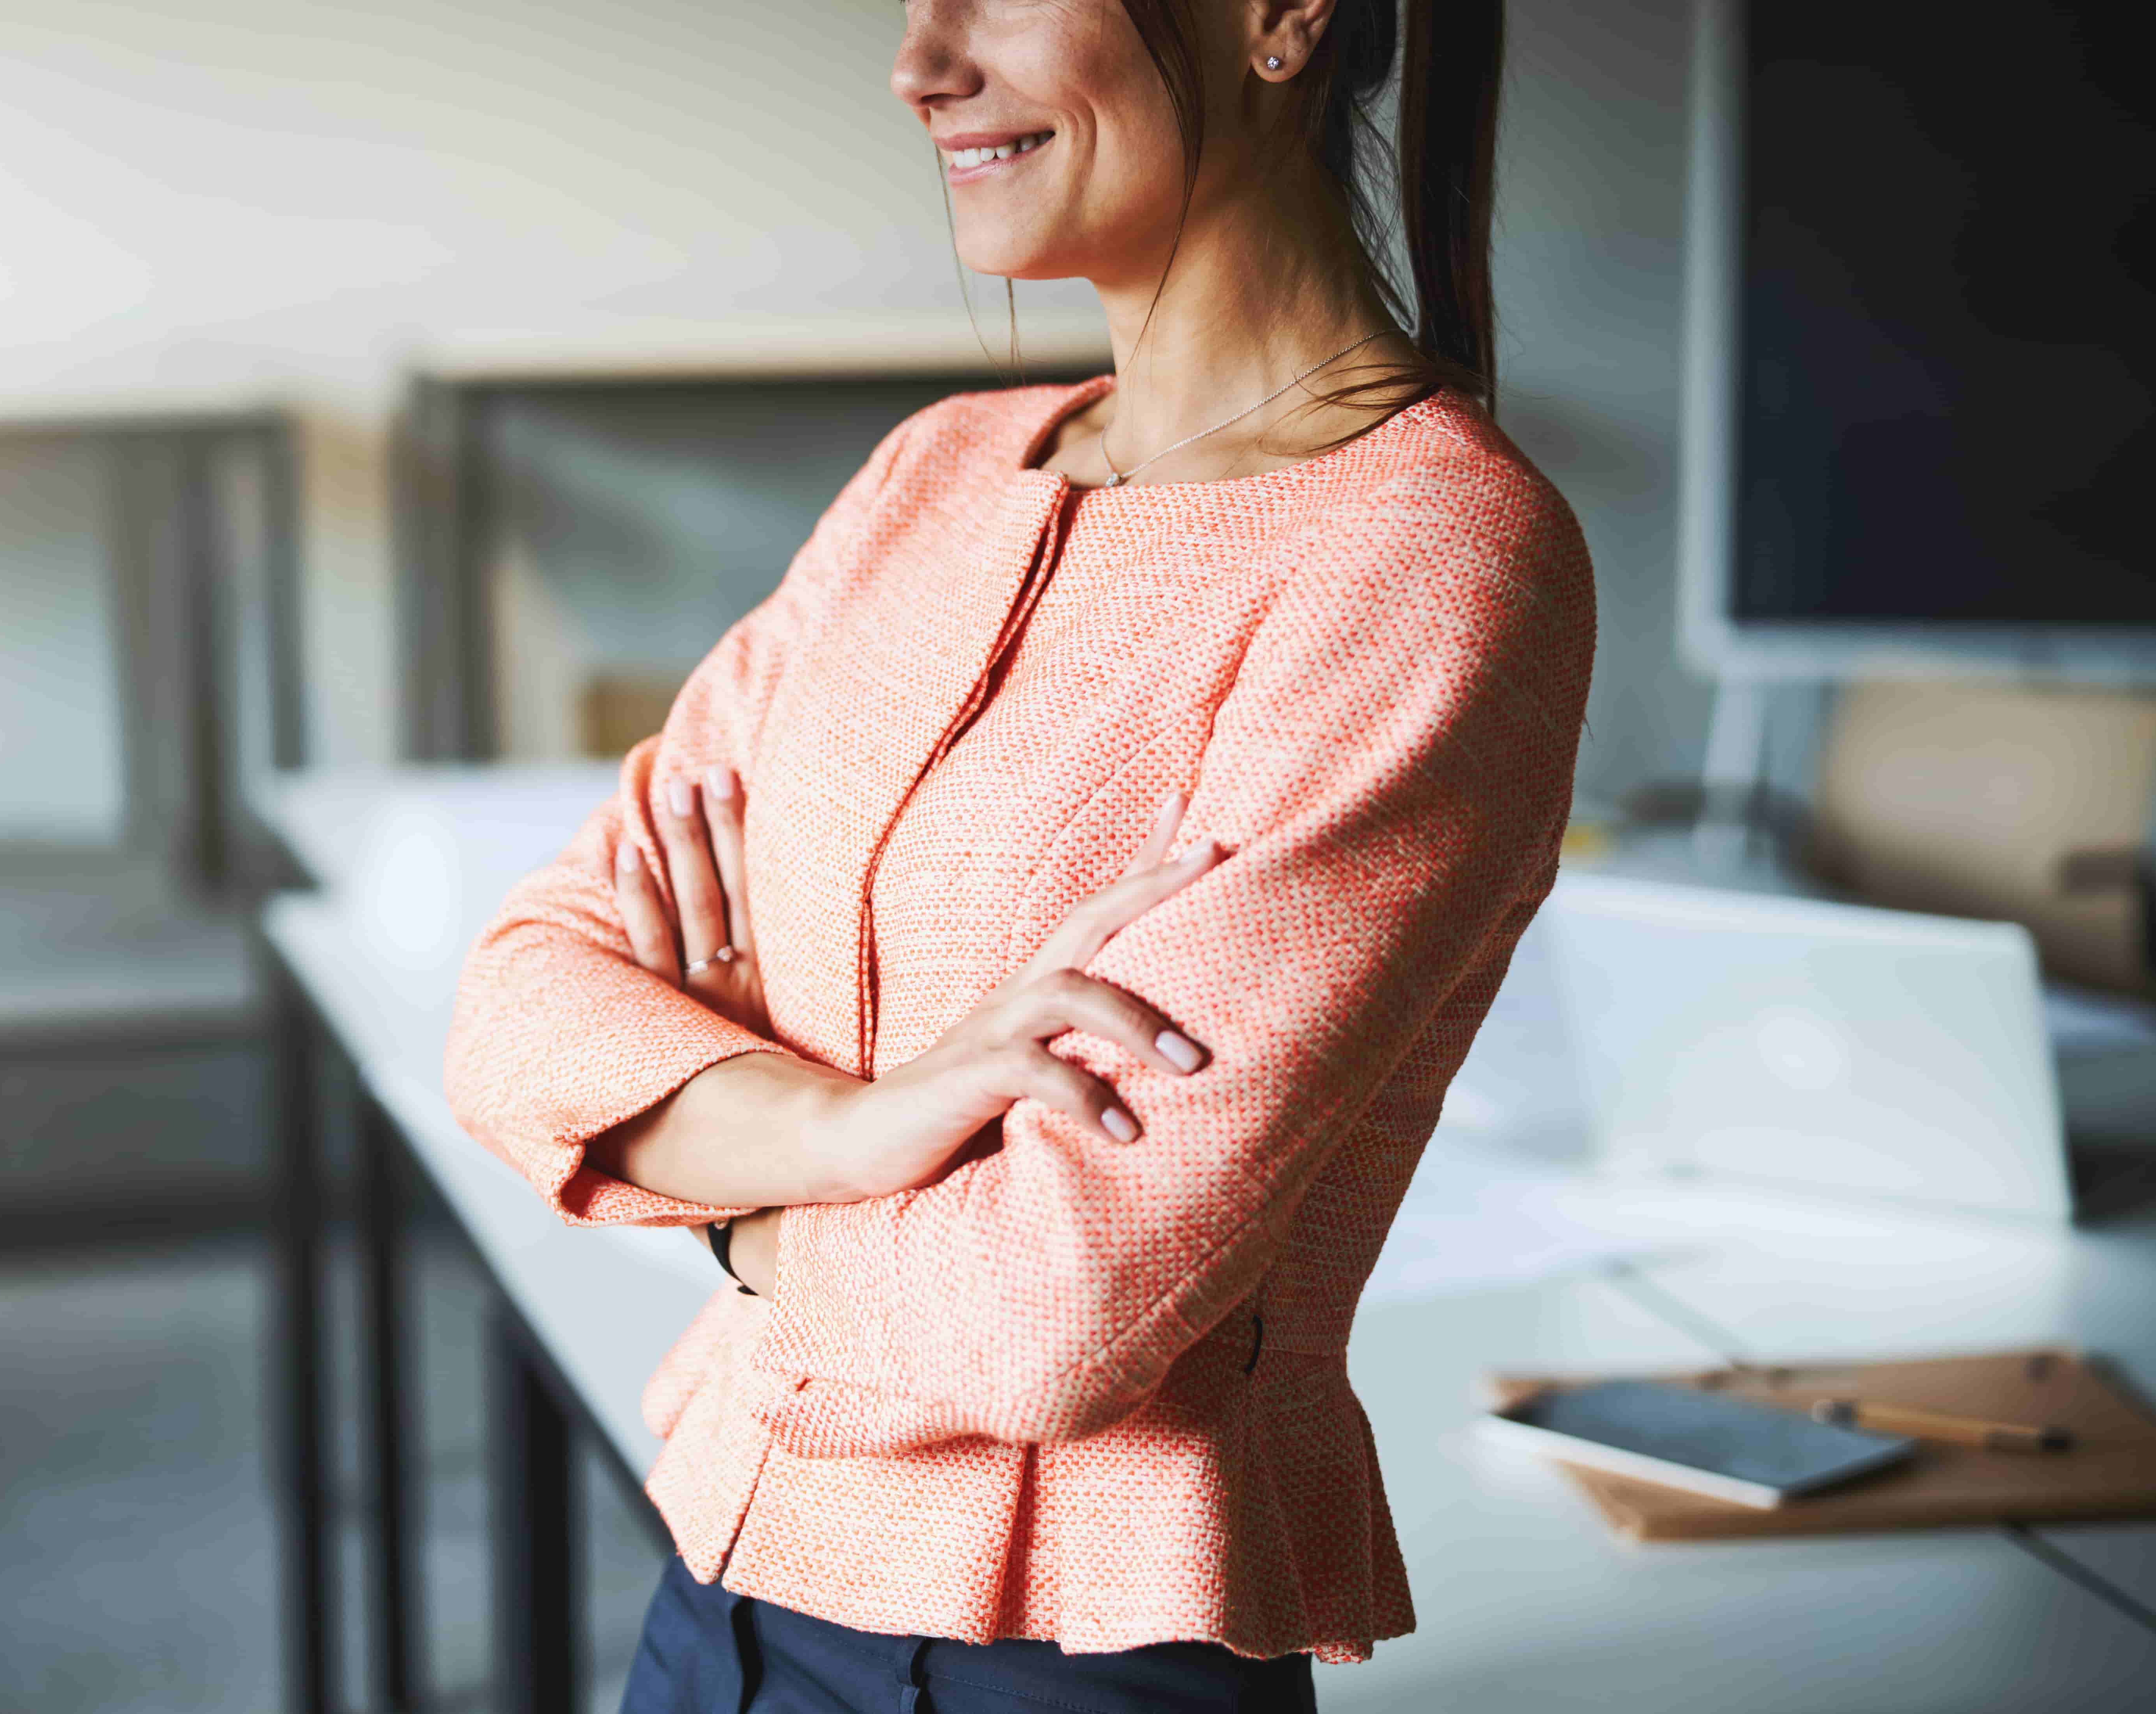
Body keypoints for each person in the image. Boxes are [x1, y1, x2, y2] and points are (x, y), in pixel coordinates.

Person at [439, 0, 1594, 1707]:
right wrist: (855, 1122)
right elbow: (521, 1001)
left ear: (1280, 17)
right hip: (720, 1590)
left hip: (1059, 1657)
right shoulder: (936, 471)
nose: (919, 65)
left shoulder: (1423, 556)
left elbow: (1045, 1310)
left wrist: (730, 1204)